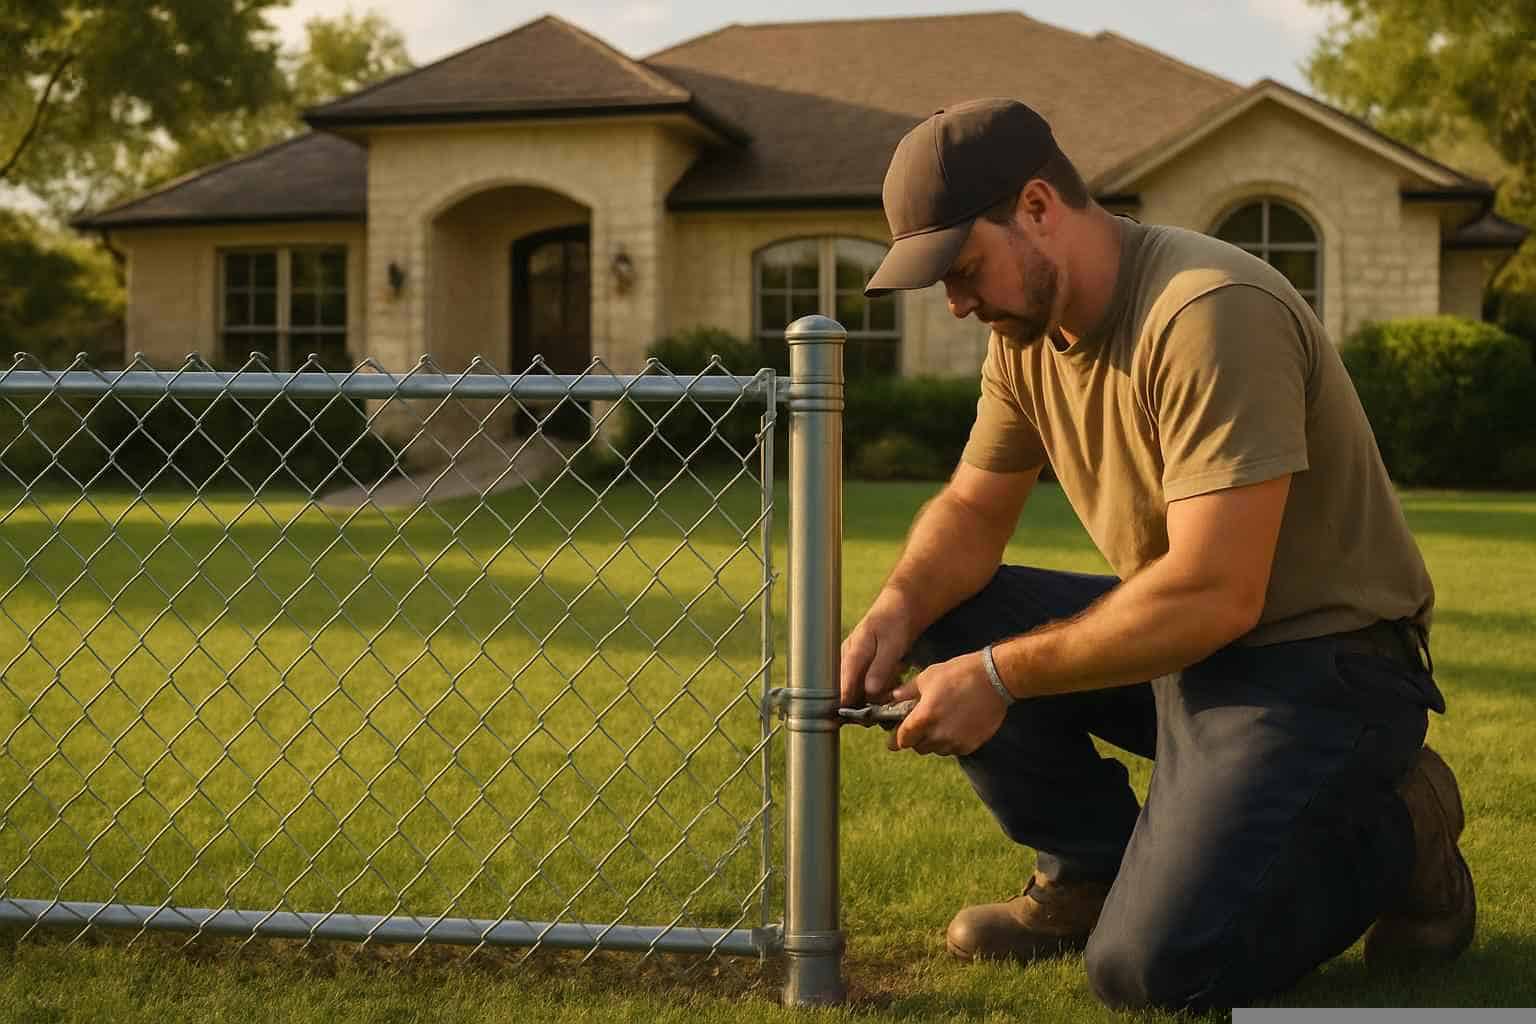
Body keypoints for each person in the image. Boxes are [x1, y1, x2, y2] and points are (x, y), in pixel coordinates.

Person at [841, 98, 1475, 1012]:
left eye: (963, 266)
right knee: (946, 612)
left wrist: (997, 677)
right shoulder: (1023, 339)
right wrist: (897, 612)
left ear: (1036, 206)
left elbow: (1217, 594)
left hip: (1321, 666)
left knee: (1157, 971)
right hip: (1192, 640)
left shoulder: (1207, 312)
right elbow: (974, 512)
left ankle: (1405, 825)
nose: (956, 300)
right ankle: (1090, 876)